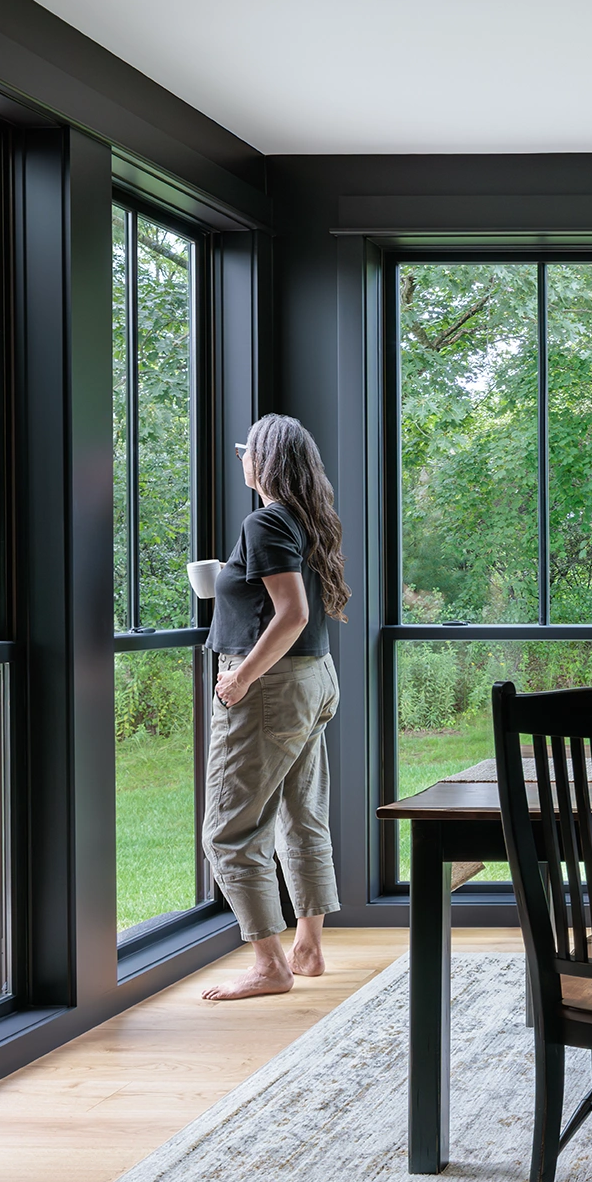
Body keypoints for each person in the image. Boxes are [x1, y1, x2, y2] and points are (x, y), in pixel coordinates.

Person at [199, 415, 350, 1001]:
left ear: (262, 460)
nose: (240, 458)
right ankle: (307, 948)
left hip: (272, 688)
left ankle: (268, 965)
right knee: (302, 816)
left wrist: (239, 676)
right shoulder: (306, 517)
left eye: (246, 451)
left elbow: (292, 613)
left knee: (229, 833)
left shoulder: (265, 521)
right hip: (314, 681)